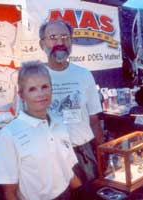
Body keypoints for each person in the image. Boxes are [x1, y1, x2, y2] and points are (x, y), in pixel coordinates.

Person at [0, 61, 81, 200]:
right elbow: (10, 192)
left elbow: (67, 170)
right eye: (32, 89)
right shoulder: (9, 135)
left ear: (52, 89)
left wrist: (84, 193)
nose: (41, 94)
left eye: (45, 87)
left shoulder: (60, 124)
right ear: (21, 95)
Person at [39, 20, 103, 184]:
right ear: (42, 43)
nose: (60, 42)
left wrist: (102, 152)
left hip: (84, 154)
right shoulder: (33, 78)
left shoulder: (83, 75)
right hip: (49, 157)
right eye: (53, 37)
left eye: (65, 37)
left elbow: (94, 119)